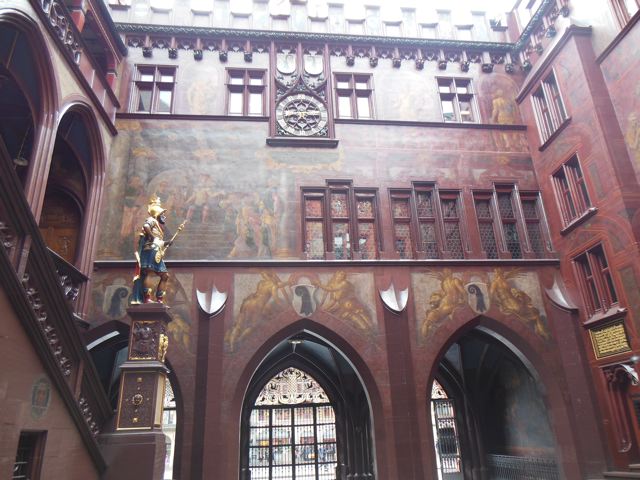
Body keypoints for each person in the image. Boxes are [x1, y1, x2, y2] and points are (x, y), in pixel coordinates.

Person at [132, 195, 183, 304]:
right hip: (151, 250)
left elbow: (159, 241)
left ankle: (159, 299)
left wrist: (166, 243)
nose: (164, 216)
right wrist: (152, 237)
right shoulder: (152, 220)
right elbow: (146, 227)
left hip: (157, 250)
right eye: (162, 214)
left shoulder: (159, 226)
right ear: (157, 214)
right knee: (149, 272)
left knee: (164, 276)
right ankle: (147, 298)